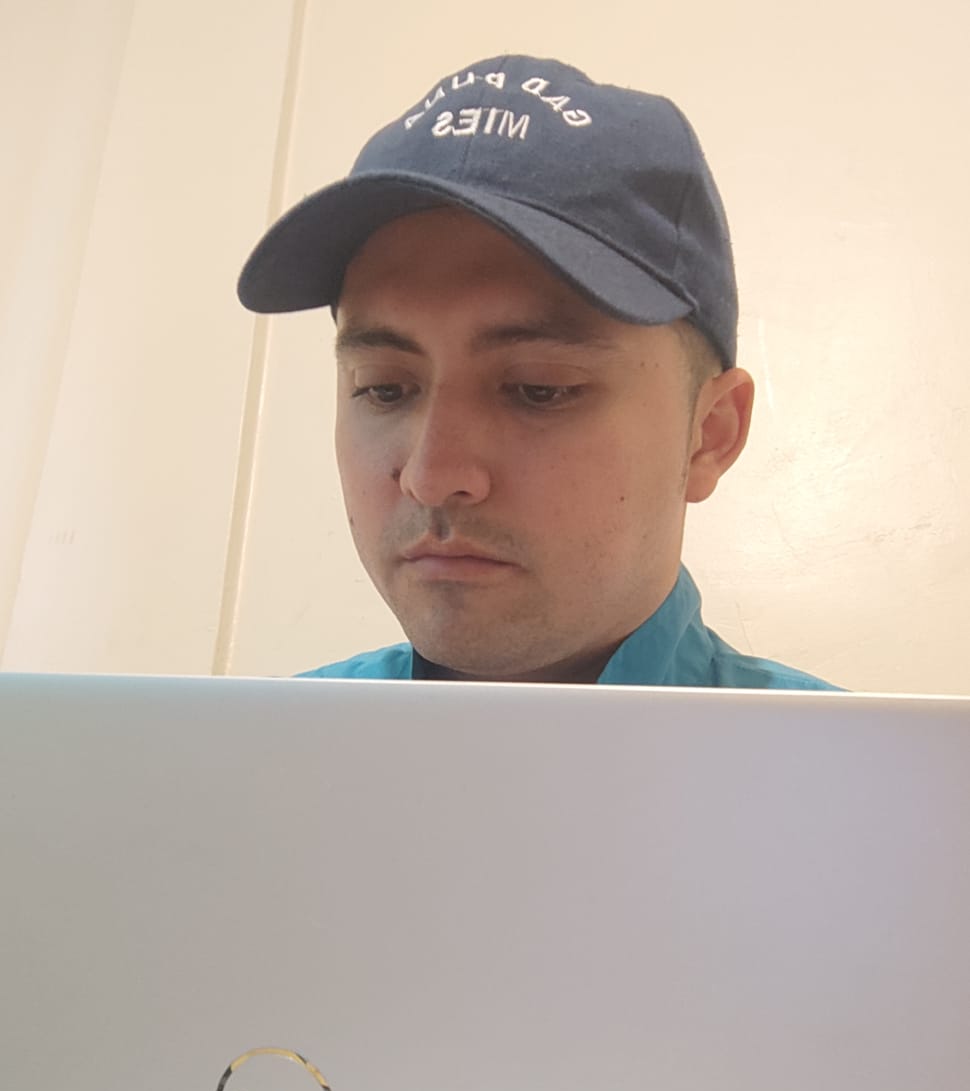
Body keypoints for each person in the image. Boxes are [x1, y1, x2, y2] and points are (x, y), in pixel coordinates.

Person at [239, 54, 838, 690]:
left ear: (710, 434)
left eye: (539, 390)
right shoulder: (244, 746)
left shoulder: (859, 756)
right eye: (383, 389)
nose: (431, 477)